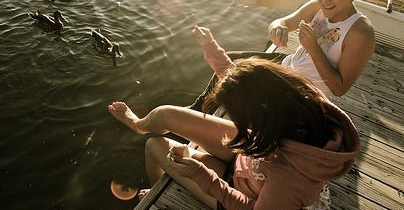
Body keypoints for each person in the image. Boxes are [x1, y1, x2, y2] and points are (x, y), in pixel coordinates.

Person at [108, 53, 360, 209]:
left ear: (263, 111)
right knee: (166, 115)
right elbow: (249, 81)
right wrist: (214, 52)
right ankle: (139, 125)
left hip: (240, 188)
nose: (238, 119)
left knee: (155, 147)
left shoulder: (290, 179)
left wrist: (200, 174)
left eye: (242, 115)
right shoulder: (298, 100)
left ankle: (158, 192)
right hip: (254, 156)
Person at [190, 0, 374, 112]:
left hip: (303, 90)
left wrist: (313, 48)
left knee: (237, 76)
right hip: (287, 65)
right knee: (232, 60)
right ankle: (200, 108)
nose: (325, 0)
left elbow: (339, 88)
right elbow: (281, 22)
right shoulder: (316, 7)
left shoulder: (360, 32)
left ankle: (208, 116)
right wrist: (278, 28)